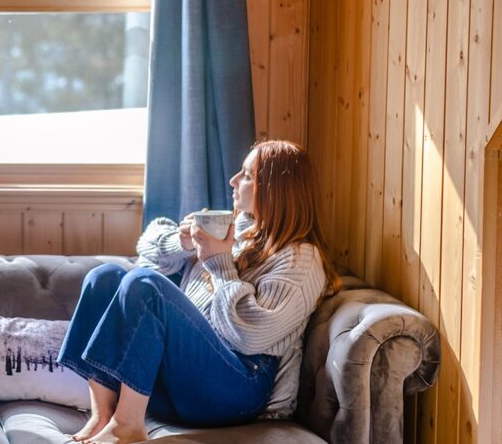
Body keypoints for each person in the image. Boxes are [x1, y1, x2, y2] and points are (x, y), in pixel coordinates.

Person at [56, 140, 341, 444]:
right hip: (187, 379)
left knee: (145, 286)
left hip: (239, 386)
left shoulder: (300, 258)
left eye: (245, 175)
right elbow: (146, 254)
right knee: (105, 277)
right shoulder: (232, 230)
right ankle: (102, 416)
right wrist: (183, 243)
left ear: (274, 191)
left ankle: (128, 424)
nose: (232, 181)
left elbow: (251, 337)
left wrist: (219, 262)